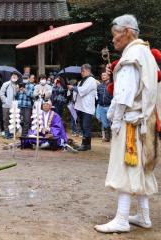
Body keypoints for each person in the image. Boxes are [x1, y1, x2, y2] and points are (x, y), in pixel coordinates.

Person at [94, 14, 160, 234]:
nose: (113, 41)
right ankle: (143, 215)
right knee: (140, 166)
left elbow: (124, 95)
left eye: (115, 35)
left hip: (131, 120)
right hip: (144, 118)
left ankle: (122, 218)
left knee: (126, 166)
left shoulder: (132, 55)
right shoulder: (146, 53)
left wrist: (114, 119)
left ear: (128, 31)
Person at [67, 64, 97, 151]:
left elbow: (83, 90)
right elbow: (76, 92)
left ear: (88, 71)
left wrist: (73, 87)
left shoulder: (92, 80)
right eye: (81, 71)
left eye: (83, 71)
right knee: (83, 126)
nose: (82, 73)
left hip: (87, 107)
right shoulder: (81, 81)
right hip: (80, 106)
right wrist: (72, 89)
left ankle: (85, 144)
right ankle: (87, 145)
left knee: (86, 125)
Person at [0, 72, 20, 139]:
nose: (14, 77)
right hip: (6, 106)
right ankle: (6, 133)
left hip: (14, 106)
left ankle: (11, 133)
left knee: (13, 120)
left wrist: (17, 90)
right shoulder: (6, 84)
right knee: (6, 120)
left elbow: (17, 96)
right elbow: (1, 93)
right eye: (13, 76)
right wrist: (5, 101)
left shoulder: (16, 85)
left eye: (16, 77)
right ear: (11, 77)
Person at [96, 71, 113, 142]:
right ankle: (107, 136)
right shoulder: (99, 86)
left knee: (111, 122)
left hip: (110, 106)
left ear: (109, 76)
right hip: (101, 106)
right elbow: (97, 95)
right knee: (104, 123)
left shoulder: (112, 85)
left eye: (105, 75)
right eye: (102, 75)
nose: (103, 76)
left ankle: (111, 137)